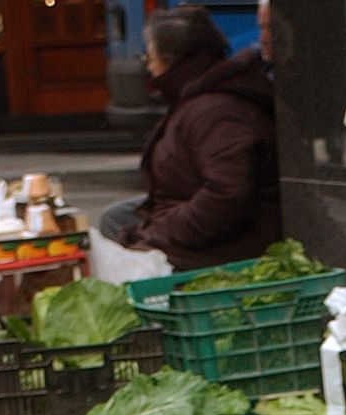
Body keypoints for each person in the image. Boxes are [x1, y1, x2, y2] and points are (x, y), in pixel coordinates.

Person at [98, 5, 281, 271]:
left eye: (150, 56)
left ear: (172, 60)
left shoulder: (217, 111)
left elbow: (226, 196)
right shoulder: (198, 98)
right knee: (115, 220)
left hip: (227, 248)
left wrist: (159, 233)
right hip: (200, 228)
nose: (148, 65)